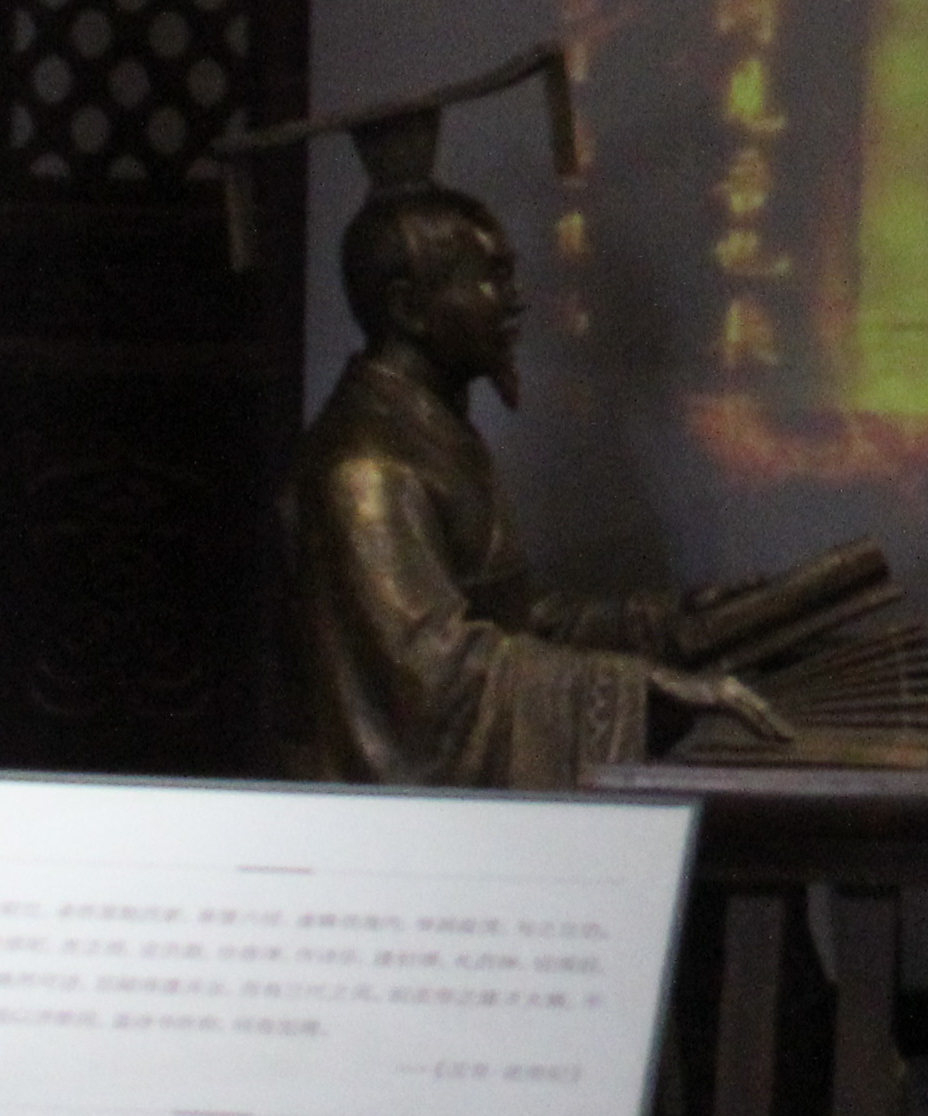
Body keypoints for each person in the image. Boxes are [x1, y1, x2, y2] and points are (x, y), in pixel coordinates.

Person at [277, 179, 802, 787]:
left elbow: (514, 623)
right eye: (491, 278)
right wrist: (639, 687)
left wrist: (668, 626)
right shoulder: (366, 472)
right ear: (408, 308)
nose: (515, 300)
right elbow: (435, 679)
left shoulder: (427, 432)